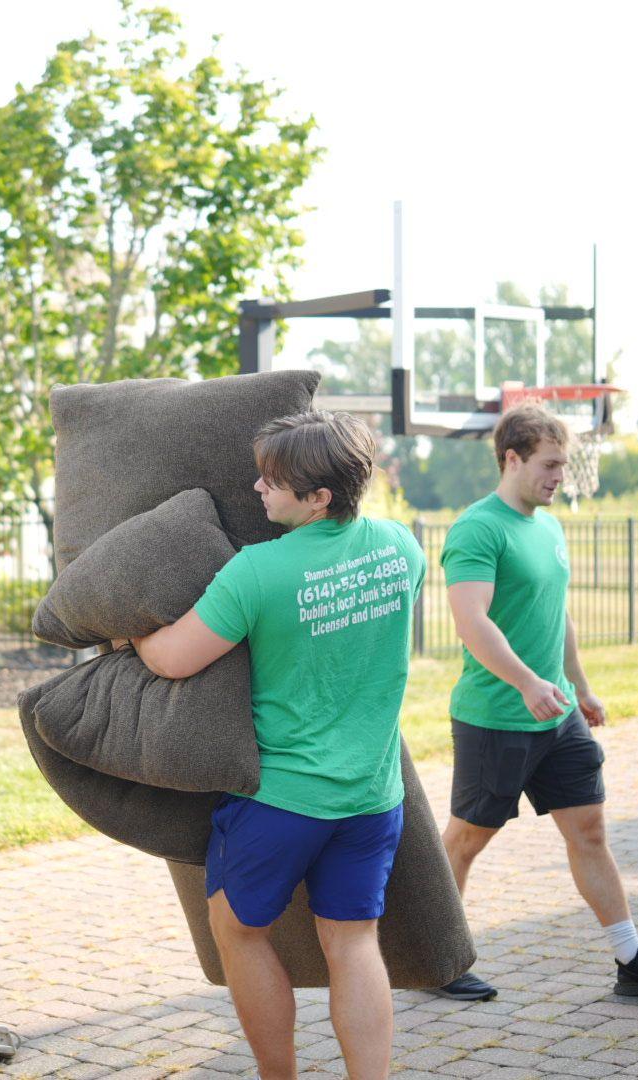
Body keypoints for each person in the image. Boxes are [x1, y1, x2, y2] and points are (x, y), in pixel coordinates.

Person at [124, 411, 423, 1080]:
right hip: (372, 798)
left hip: (282, 799)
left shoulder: (257, 572)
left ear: (319, 496)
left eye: (273, 480)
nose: (258, 489)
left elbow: (172, 659)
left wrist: (132, 636)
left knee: (236, 930)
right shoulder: (402, 549)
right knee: (353, 943)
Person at [433, 404, 638, 1002]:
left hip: (558, 717)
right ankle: (438, 958)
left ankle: (632, 959)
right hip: (497, 718)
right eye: (550, 464)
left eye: (564, 464)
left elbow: (557, 616)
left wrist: (579, 687)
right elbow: (472, 623)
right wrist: (528, 683)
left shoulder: (548, 527)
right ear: (512, 458)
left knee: (590, 830)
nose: (560, 476)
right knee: (466, 840)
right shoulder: (479, 528)